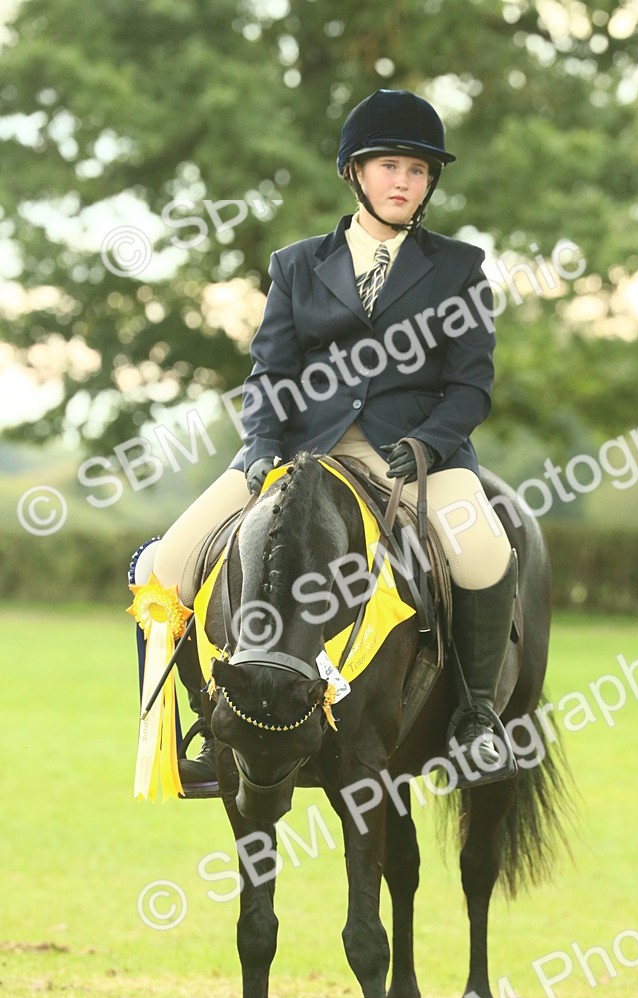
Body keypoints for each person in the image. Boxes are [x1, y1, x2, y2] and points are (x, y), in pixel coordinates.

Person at [147, 88, 516, 792]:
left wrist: (432, 445)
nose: (405, 182)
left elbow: (471, 387)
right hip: (297, 453)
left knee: (484, 552)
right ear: (355, 173)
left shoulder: (460, 268)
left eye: (418, 170)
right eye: (390, 167)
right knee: (167, 563)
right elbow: (269, 373)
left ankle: (473, 716)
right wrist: (260, 446)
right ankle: (190, 721)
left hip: (409, 455)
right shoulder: (295, 265)